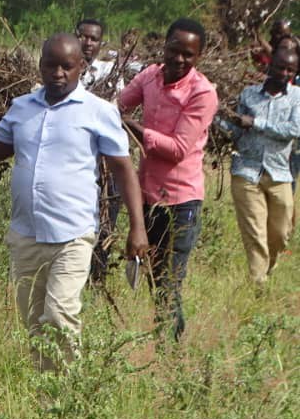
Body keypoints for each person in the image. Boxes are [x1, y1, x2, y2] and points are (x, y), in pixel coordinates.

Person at [0, 33, 148, 371]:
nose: (58, 73)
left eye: (67, 66)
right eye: (51, 65)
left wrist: (137, 228)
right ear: (40, 65)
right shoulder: (22, 108)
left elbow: (123, 171)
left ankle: (69, 392)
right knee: (34, 321)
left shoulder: (98, 112)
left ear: (81, 67)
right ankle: (46, 392)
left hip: (73, 235)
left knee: (60, 314)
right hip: (26, 234)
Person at [118, 18, 218, 340]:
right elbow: (118, 105)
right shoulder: (149, 76)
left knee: (168, 283)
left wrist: (131, 127)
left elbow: (176, 149)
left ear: (198, 56)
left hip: (181, 202)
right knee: (155, 277)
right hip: (148, 196)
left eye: (188, 55)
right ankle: (169, 345)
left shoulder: (202, 93)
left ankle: (169, 351)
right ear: (165, 45)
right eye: (174, 50)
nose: (179, 60)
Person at [216, 46, 300, 286]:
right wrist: (217, 118)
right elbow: (236, 131)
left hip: (279, 172)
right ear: (268, 67)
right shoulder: (248, 95)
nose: (284, 73)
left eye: (289, 70)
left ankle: (268, 268)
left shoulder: (297, 97)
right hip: (246, 170)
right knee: (255, 233)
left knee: (281, 233)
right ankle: (258, 284)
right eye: (280, 67)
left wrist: (257, 122)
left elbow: (295, 130)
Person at [76, 19, 127, 283]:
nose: (87, 43)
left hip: (106, 160)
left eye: (93, 39)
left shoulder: (110, 72)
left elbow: (117, 109)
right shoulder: (66, 68)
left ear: (100, 43)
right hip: (77, 160)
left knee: (107, 217)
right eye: (83, 37)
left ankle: (98, 275)